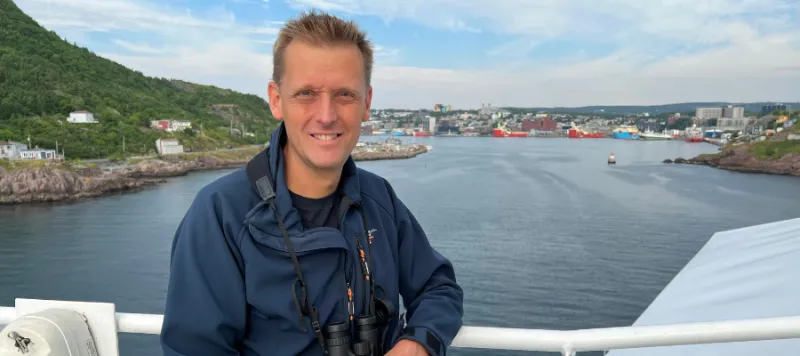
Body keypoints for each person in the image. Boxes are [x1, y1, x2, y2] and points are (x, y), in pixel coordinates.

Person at [160, 10, 464, 356]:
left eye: (345, 95)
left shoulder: (379, 199)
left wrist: (417, 342)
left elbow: (439, 287)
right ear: (277, 100)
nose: (326, 115)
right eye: (306, 93)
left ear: (367, 103)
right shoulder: (221, 214)